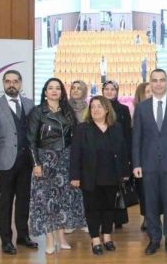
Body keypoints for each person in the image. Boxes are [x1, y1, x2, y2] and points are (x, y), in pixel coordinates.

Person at [132, 69, 167, 255]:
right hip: (148, 164)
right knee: (150, 203)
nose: (158, 83)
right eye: (155, 80)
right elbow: (136, 138)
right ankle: (154, 239)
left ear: (166, 82)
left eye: (162, 80)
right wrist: (136, 163)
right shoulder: (142, 107)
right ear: (150, 83)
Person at [27, 78, 85, 255]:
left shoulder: (67, 111)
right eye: (50, 88)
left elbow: (76, 137)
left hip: (65, 160)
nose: (54, 91)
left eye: (57, 88)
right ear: (45, 92)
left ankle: (61, 237)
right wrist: (35, 163)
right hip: (45, 160)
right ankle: (49, 239)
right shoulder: (38, 111)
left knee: (62, 201)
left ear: (61, 92)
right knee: (46, 201)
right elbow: (31, 140)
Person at [70, 96, 130, 256]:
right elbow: (75, 154)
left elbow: (123, 151)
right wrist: (75, 176)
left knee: (109, 208)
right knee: (92, 209)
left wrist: (125, 173)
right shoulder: (82, 128)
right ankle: (95, 239)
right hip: (90, 176)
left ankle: (107, 236)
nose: (95, 110)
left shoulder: (116, 127)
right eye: (93, 107)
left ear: (107, 109)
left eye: (99, 106)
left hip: (112, 175)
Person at [0, 70, 38, 255]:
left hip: (26, 162)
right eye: (8, 81)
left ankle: (23, 235)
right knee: (6, 202)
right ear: (3, 83)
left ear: (20, 83)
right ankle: (6, 240)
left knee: (24, 200)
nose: (12, 84)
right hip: (6, 162)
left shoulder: (30, 104)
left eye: (15, 81)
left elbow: (34, 134)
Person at [102, 81, 132, 228]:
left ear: (117, 91)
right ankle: (104, 220)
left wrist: (127, 158)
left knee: (118, 188)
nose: (109, 92)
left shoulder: (124, 109)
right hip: (101, 155)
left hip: (119, 154)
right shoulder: (97, 107)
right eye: (106, 89)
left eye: (112, 89)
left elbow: (127, 135)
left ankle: (118, 219)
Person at [133, 82, 151, 232]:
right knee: (144, 191)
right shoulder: (137, 112)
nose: (151, 94)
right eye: (148, 91)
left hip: (160, 158)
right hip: (142, 159)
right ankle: (147, 217)